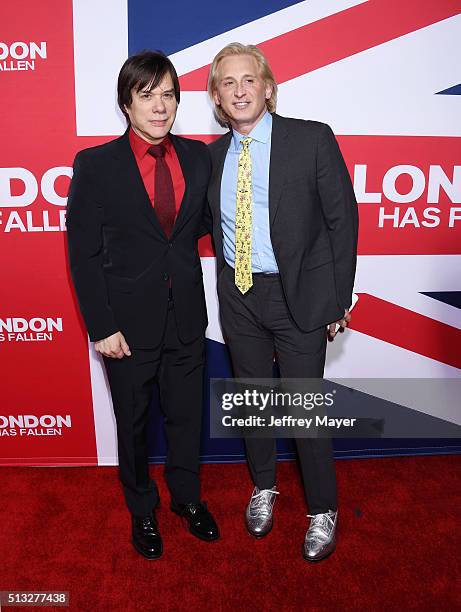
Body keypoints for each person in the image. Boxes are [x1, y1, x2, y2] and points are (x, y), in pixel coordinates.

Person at [206, 43, 358, 561]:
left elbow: (342, 221)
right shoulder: (211, 157)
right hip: (239, 292)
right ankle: (264, 487)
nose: (240, 90)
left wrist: (339, 297)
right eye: (228, 83)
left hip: (300, 296)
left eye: (249, 80)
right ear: (217, 98)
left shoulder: (311, 139)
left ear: (268, 88)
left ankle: (322, 510)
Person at [66, 50, 219, 560]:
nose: (160, 106)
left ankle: (188, 500)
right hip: (126, 327)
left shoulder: (199, 157)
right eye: (147, 95)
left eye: (169, 94)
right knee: (132, 425)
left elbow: (200, 228)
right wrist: (101, 325)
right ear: (126, 104)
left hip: (187, 318)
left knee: (186, 417)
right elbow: (83, 254)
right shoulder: (96, 165)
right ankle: (142, 509)